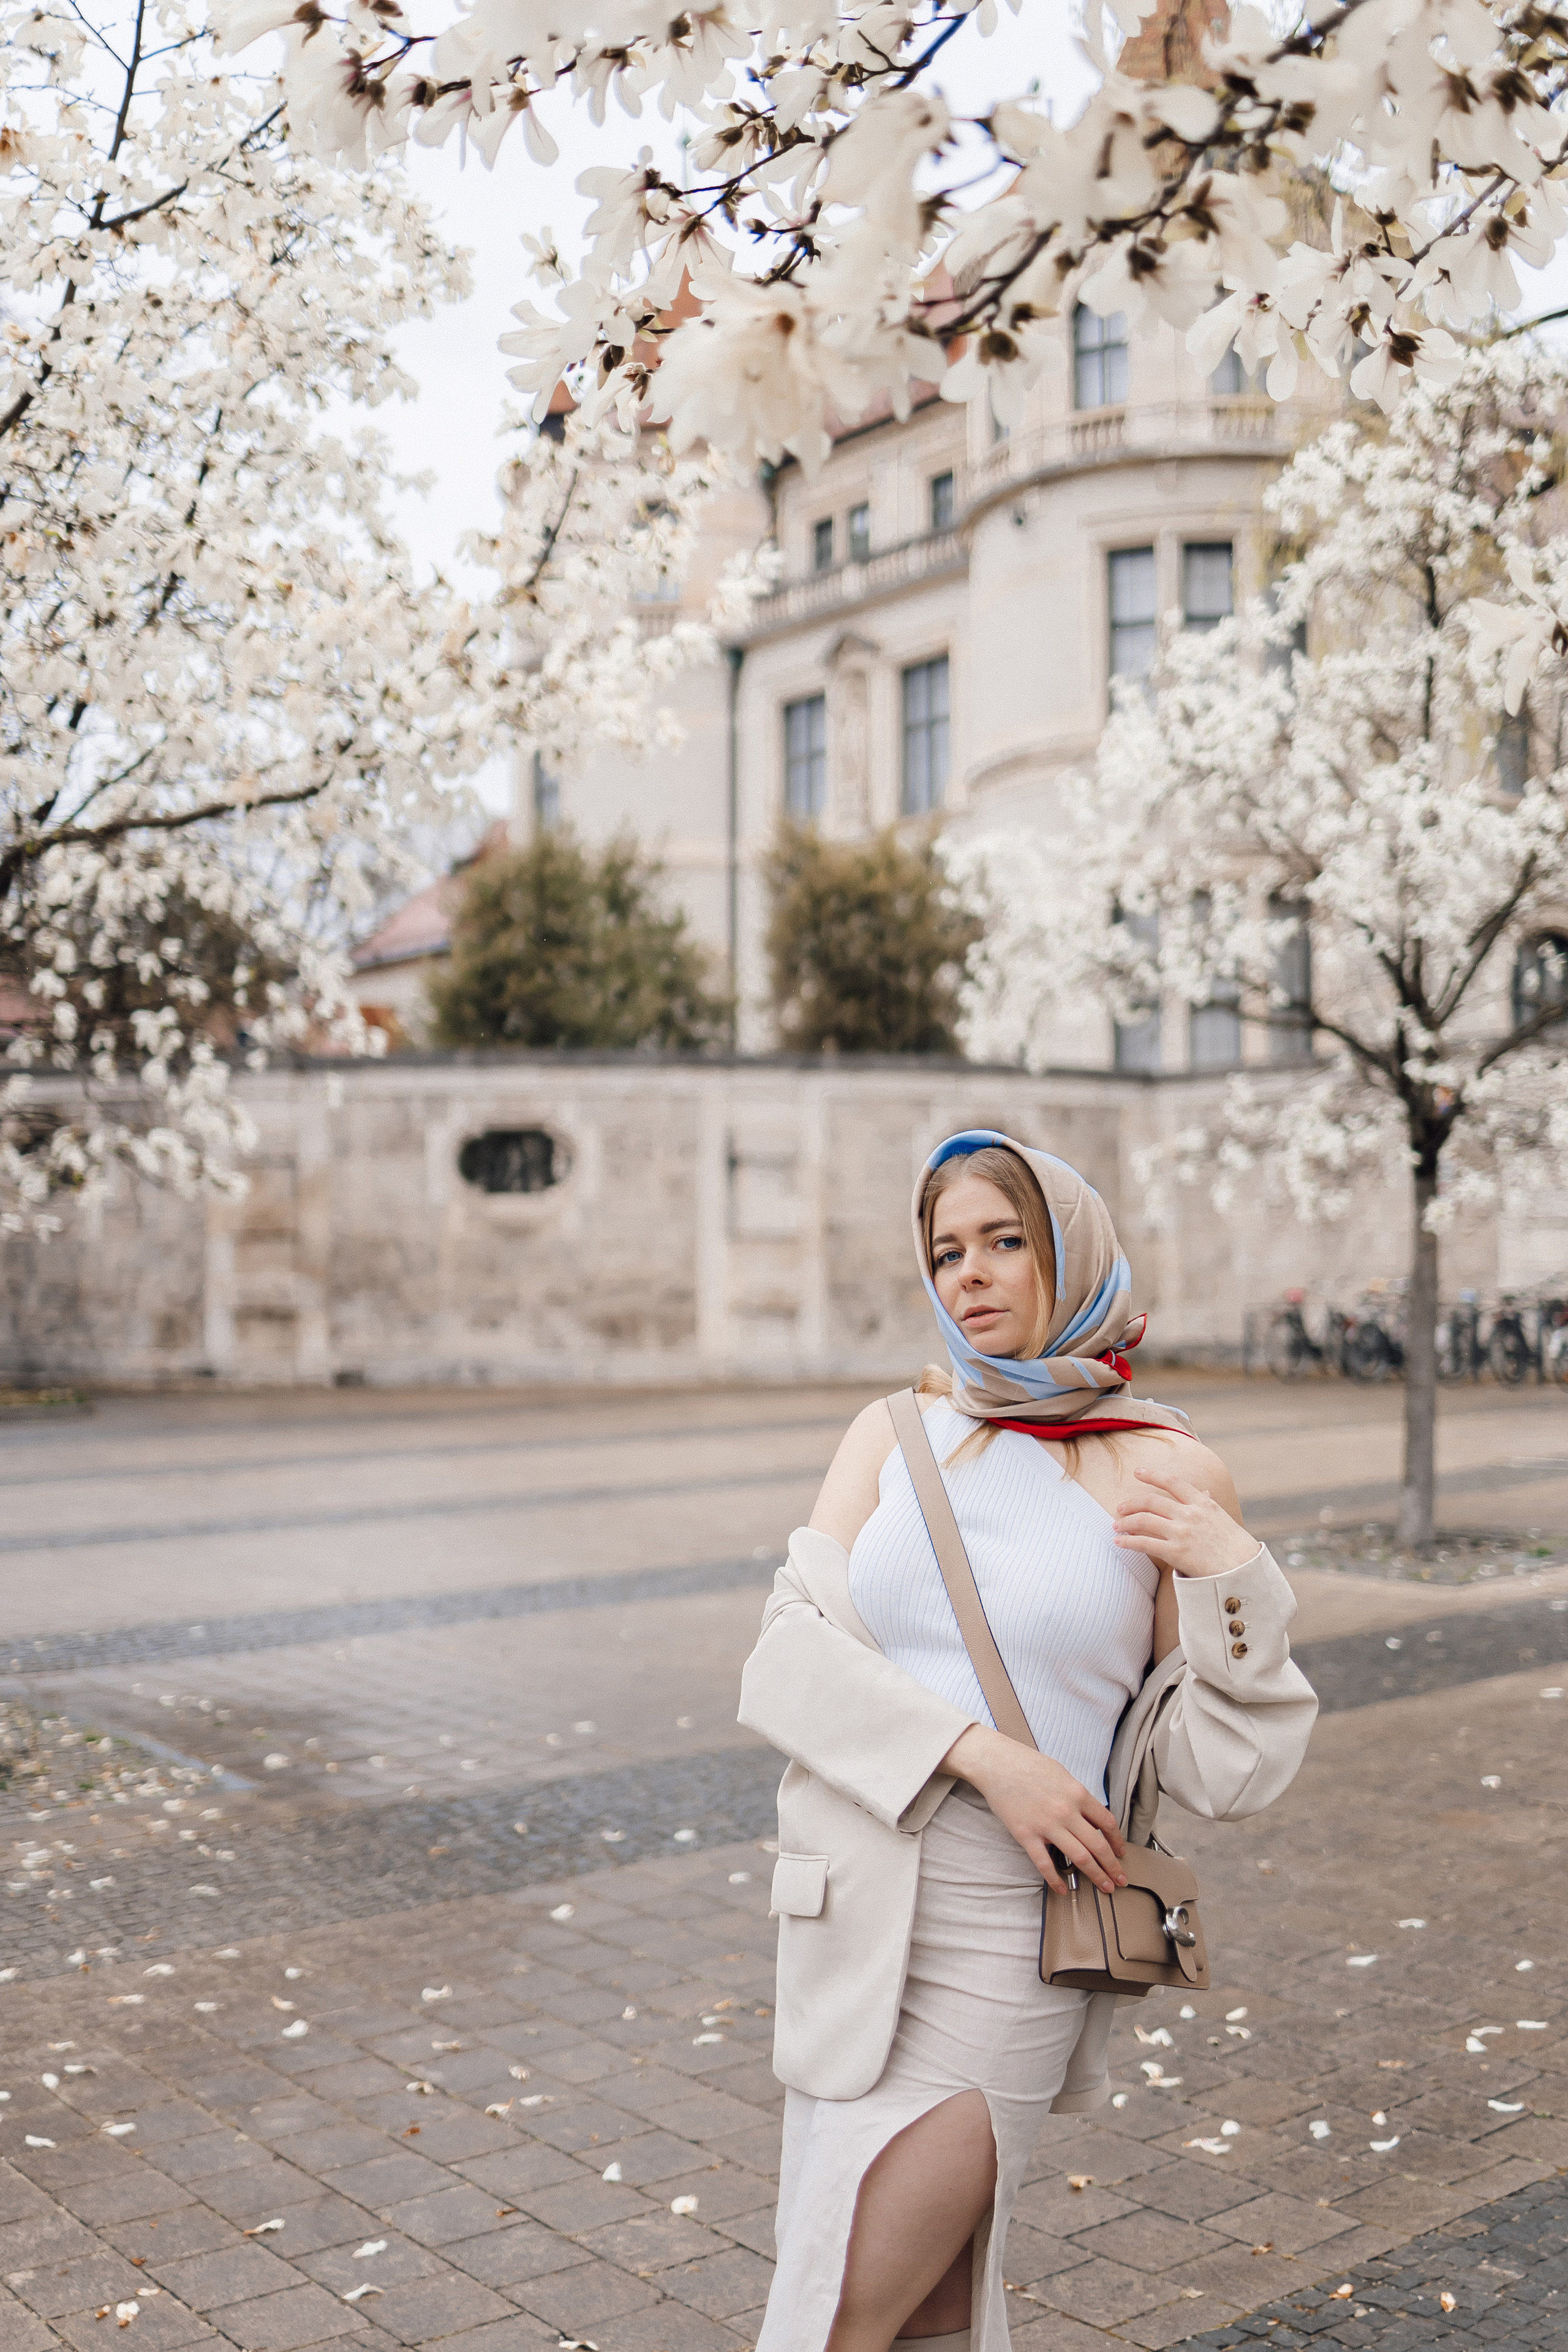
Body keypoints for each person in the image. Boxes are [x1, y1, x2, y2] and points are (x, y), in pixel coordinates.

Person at [738, 1129, 1317, 2352]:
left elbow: (1224, 1768)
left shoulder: (1163, 1468)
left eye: (1005, 1241)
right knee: (920, 2320)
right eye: (946, 1251)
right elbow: (788, 1660)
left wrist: (1236, 1580)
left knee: (835, 2317)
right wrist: (985, 1756)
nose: (971, 1275)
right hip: (853, 1914)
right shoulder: (894, 1433)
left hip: (1011, 1932)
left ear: (1071, 1251)